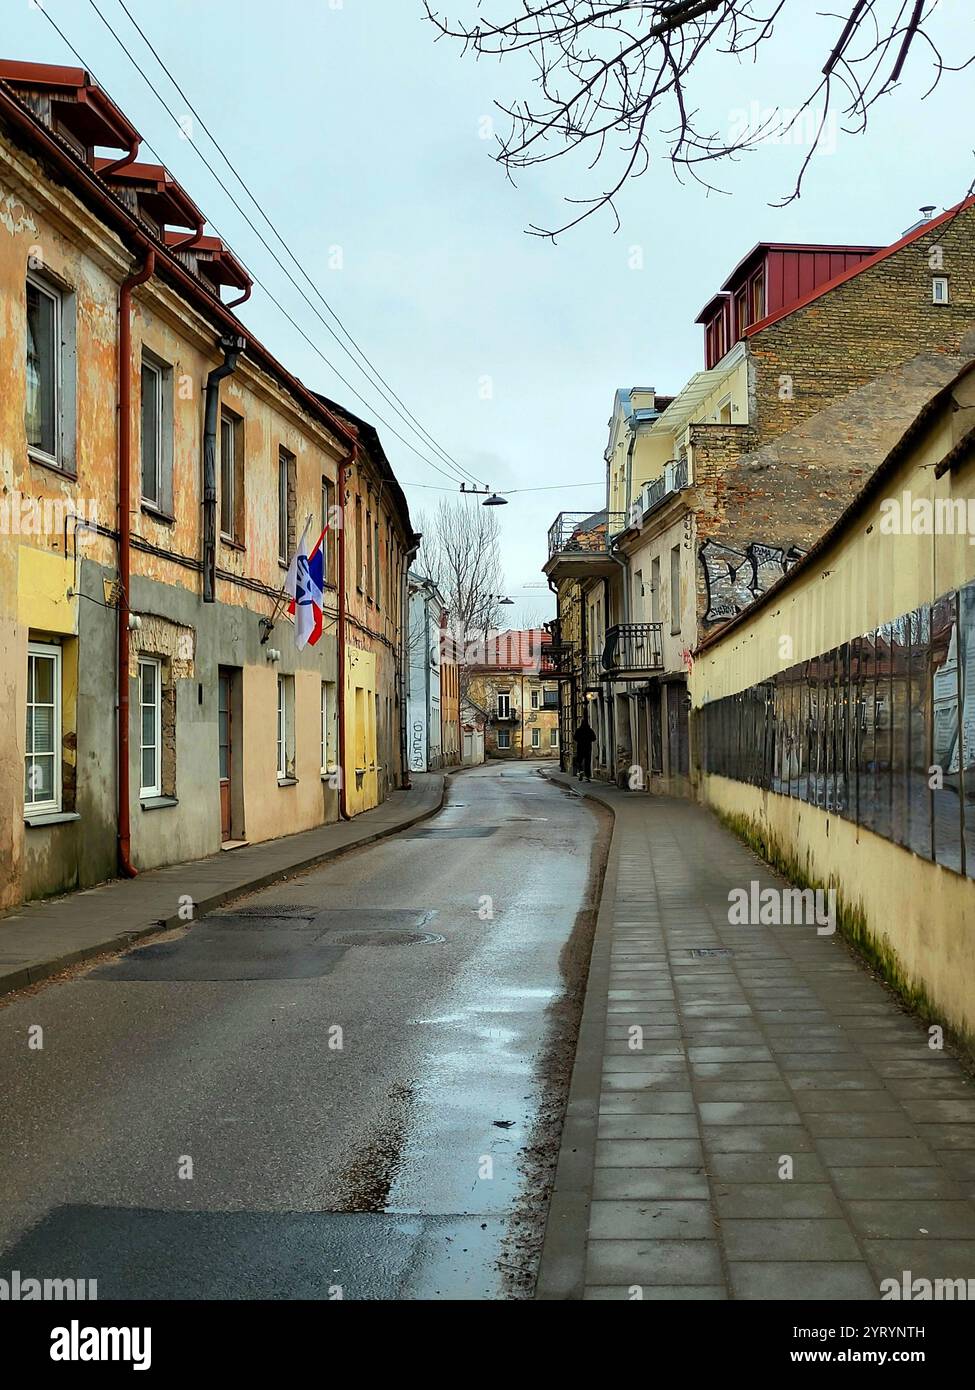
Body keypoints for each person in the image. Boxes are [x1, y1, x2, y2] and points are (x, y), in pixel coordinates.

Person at [573, 715, 597, 782]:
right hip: (588, 748)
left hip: (580, 747)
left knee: (579, 761)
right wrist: (588, 740)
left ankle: (580, 771)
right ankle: (587, 776)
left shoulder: (578, 730)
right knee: (587, 762)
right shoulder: (589, 730)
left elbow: (575, 738)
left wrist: (580, 740)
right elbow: (594, 738)